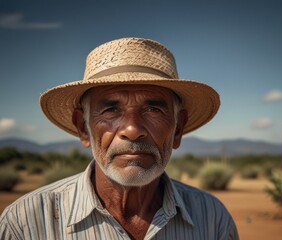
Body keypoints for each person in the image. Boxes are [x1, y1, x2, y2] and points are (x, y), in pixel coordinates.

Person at [0, 37, 239, 240]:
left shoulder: (212, 220)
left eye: (154, 110)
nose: (133, 129)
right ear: (83, 128)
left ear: (178, 129)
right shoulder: (25, 223)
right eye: (110, 110)